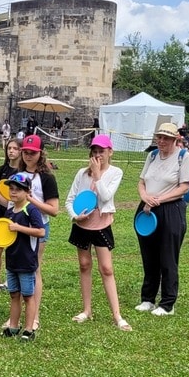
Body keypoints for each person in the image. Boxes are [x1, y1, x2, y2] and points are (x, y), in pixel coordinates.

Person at [64, 134, 130, 330]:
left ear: (110, 152)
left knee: (107, 269)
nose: (98, 154)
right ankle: (86, 310)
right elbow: (70, 200)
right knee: (84, 265)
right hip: (82, 225)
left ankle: (117, 315)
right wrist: (75, 216)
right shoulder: (81, 174)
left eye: (102, 151)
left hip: (101, 225)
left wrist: (98, 174)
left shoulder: (115, 172)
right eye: (95, 151)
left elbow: (106, 195)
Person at [135, 122, 189, 316]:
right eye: (159, 137)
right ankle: (148, 299)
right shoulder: (152, 156)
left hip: (170, 209)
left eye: (166, 138)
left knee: (168, 257)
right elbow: (142, 181)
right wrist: (145, 197)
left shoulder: (183, 157)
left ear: (175, 139)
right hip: (146, 209)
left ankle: (168, 303)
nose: (161, 141)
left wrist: (158, 199)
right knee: (148, 255)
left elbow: (184, 187)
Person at [0, 174, 45, 341]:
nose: (13, 192)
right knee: (14, 294)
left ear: (27, 191)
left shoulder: (31, 209)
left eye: (17, 189)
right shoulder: (10, 211)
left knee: (28, 296)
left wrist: (19, 227)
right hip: (11, 260)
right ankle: (13, 326)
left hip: (26, 261)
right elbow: (5, 234)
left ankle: (28, 329)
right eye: (11, 189)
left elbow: (40, 231)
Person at [12, 134, 59, 329]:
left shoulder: (47, 177)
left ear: (40, 154)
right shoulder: (17, 174)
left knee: (34, 269)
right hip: (16, 227)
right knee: (15, 270)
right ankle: (15, 315)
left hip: (38, 228)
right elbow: (11, 202)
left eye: (32, 153)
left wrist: (31, 200)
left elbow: (54, 210)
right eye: (25, 152)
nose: (28, 156)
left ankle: (34, 315)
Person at [0, 138, 22, 291]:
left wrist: (1, 199)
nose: (11, 151)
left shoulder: (23, 173)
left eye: (15, 148)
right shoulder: (2, 169)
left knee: (13, 249)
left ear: (21, 151)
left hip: (17, 214)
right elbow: (0, 191)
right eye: (9, 148)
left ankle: (10, 280)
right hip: (1, 213)